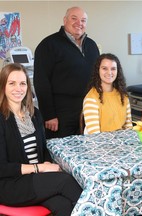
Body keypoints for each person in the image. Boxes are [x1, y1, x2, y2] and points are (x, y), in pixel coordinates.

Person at [0, 63, 82, 216]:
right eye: (12, 83)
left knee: (64, 206)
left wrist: (47, 166)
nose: (18, 88)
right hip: (10, 184)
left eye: (22, 83)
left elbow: (42, 149)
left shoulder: (34, 114)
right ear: (3, 86)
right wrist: (41, 168)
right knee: (66, 182)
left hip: (36, 180)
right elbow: (2, 168)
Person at [34, 6, 100, 139]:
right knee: (60, 153)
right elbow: (41, 82)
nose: (79, 23)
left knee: (87, 150)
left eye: (83, 20)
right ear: (65, 20)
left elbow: (98, 78)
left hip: (88, 110)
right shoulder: (48, 45)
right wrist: (49, 115)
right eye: (74, 18)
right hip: (60, 114)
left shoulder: (92, 46)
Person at [82, 53, 132, 134]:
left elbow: (128, 127)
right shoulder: (91, 98)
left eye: (113, 69)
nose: (109, 72)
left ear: (117, 71)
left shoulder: (123, 96)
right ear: (98, 70)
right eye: (104, 68)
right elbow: (94, 135)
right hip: (99, 144)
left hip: (121, 142)